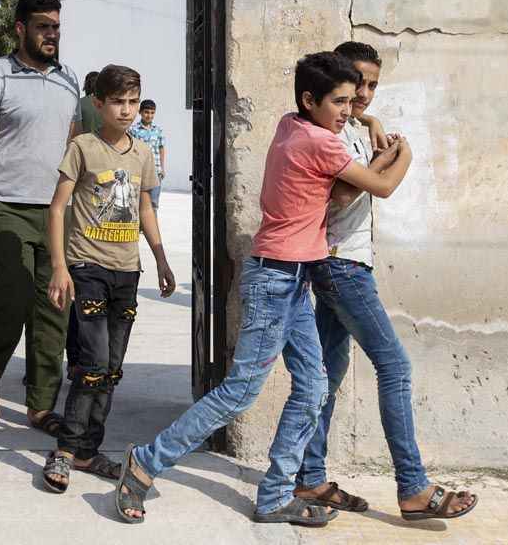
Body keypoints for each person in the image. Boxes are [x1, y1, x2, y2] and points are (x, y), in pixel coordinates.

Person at [113, 52, 411, 527]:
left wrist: (369, 123)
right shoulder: (322, 142)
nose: (346, 110)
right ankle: (145, 463)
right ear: (310, 99)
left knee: (313, 387)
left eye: (350, 101)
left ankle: (274, 496)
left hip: (291, 276)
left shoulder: (290, 124)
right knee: (239, 392)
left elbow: (346, 174)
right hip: (276, 280)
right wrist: (404, 152)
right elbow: (381, 185)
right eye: (338, 102)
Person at [294, 41, 478, 521]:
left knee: (326, 376)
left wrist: (372, 123)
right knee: (394, 366)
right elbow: (341, 196)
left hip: (344, 263)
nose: (364, 94)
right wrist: (400, 156)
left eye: (373, 86)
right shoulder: (328, 133)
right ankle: (413, 486)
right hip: (342, 265)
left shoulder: (353, 126)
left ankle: (310, 477)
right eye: (357, 83)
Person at [41, 65, 176, 492]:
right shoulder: (82, 147)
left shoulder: (142, 153)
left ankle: (88, 450)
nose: (127, 110)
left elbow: (145, 207)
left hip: (127, 271)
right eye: (118, 102)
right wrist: (60, 267)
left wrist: (160, 258)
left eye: (133, 102)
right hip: (88, 267)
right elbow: (57, 208)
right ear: (98, 104)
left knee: (112, 368)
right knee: (94, 362)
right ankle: (65, 449)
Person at [0, 0, 80, 434]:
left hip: (56, 210)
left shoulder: (69, 79)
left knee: (54, 308)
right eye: (42, 26)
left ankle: (41, 404)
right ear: (20, 28)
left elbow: (73, 149)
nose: (51, 34)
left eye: (55, 26)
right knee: (9, 300)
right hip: (6, 204)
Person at [128, 99, 166, 210]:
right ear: (140, 112)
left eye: (152, 113)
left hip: (156, 172)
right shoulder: (133, 130)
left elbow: (161, 148)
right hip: (139, 171)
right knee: (137, 203)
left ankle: (152, 221)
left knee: (154, 204)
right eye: (146, 112)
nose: (149, 115)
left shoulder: (158, 130)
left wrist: (162, 168)